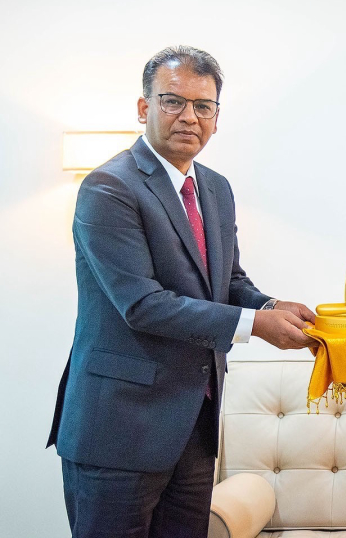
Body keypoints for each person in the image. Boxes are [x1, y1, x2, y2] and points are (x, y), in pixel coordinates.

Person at [47, 45, 316, 538]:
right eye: (173, 102)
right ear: (144, 108)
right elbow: (143, 305)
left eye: (204, 106)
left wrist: (273, 306)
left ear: (216, 117)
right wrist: (257, 326)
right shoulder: (108, 187)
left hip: (193, 426)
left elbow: (228, 282)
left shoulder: (216, 187)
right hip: (118, 430)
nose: (189, 116)